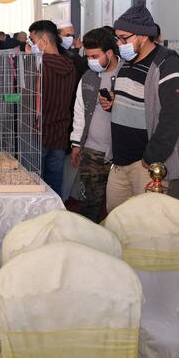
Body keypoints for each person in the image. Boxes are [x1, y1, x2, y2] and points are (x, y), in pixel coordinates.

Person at [101, 1, 179, 212]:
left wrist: (153, 156)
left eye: (124, 38)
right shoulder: (127, 62)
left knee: (145, 229)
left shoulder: (167, 63)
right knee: (115, 223)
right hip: (120, 162)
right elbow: (137, 101)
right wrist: (115, 103)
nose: (119, 44)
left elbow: (173, 115)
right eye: (117, 38)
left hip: (146, 165)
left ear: (142, 35)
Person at [70, 28, 122, 222]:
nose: (90, 60)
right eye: (88, 56)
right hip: (92, 151)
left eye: (95, 56)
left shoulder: (127, 74)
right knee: (89, 204)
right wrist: (76, 144)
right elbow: (79, 111)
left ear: (109, 53)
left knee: (118, 207)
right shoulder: (88, 77)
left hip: (121, 153)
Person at [28, 20, 76, 196]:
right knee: (55, 181)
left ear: (45, 41)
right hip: (60, 132)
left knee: (34, 182)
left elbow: (30, 100)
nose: (33, 45)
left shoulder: (38, 65)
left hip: (38, 132)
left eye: (34, 41)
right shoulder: (70, 65)